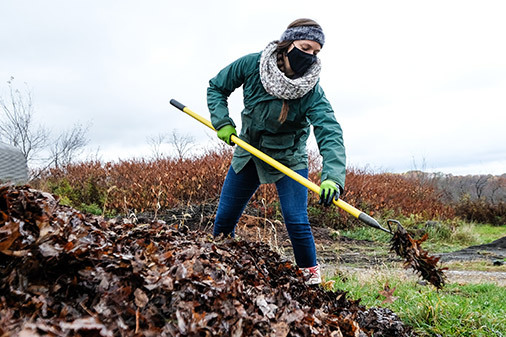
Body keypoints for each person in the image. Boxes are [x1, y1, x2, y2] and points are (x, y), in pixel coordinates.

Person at [207, 18, 346, 285]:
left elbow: (330, 132)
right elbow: (217, 88)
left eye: (316, 52)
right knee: (225, 219)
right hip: (249, 152)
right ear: (288, 43)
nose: (310, 56)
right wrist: (222, 122)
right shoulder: (252, 64)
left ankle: (311, 281)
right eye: (305, 47)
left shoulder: (311, 90)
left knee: (296, 221)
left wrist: (332, 177)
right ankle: (220, 268)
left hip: (289, 158)